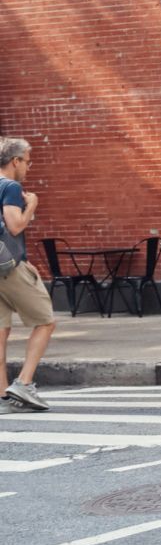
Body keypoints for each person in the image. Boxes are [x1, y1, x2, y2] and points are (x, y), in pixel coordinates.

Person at [0, 137, 56, 412]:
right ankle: (23, 383)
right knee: (45, 321)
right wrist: (32, 204)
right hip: (9, 270)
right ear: (15, 161)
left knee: (0, 332)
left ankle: (2, 399)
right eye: (27, 161)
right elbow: (13, 226)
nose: (28, 168)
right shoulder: (10, 186)